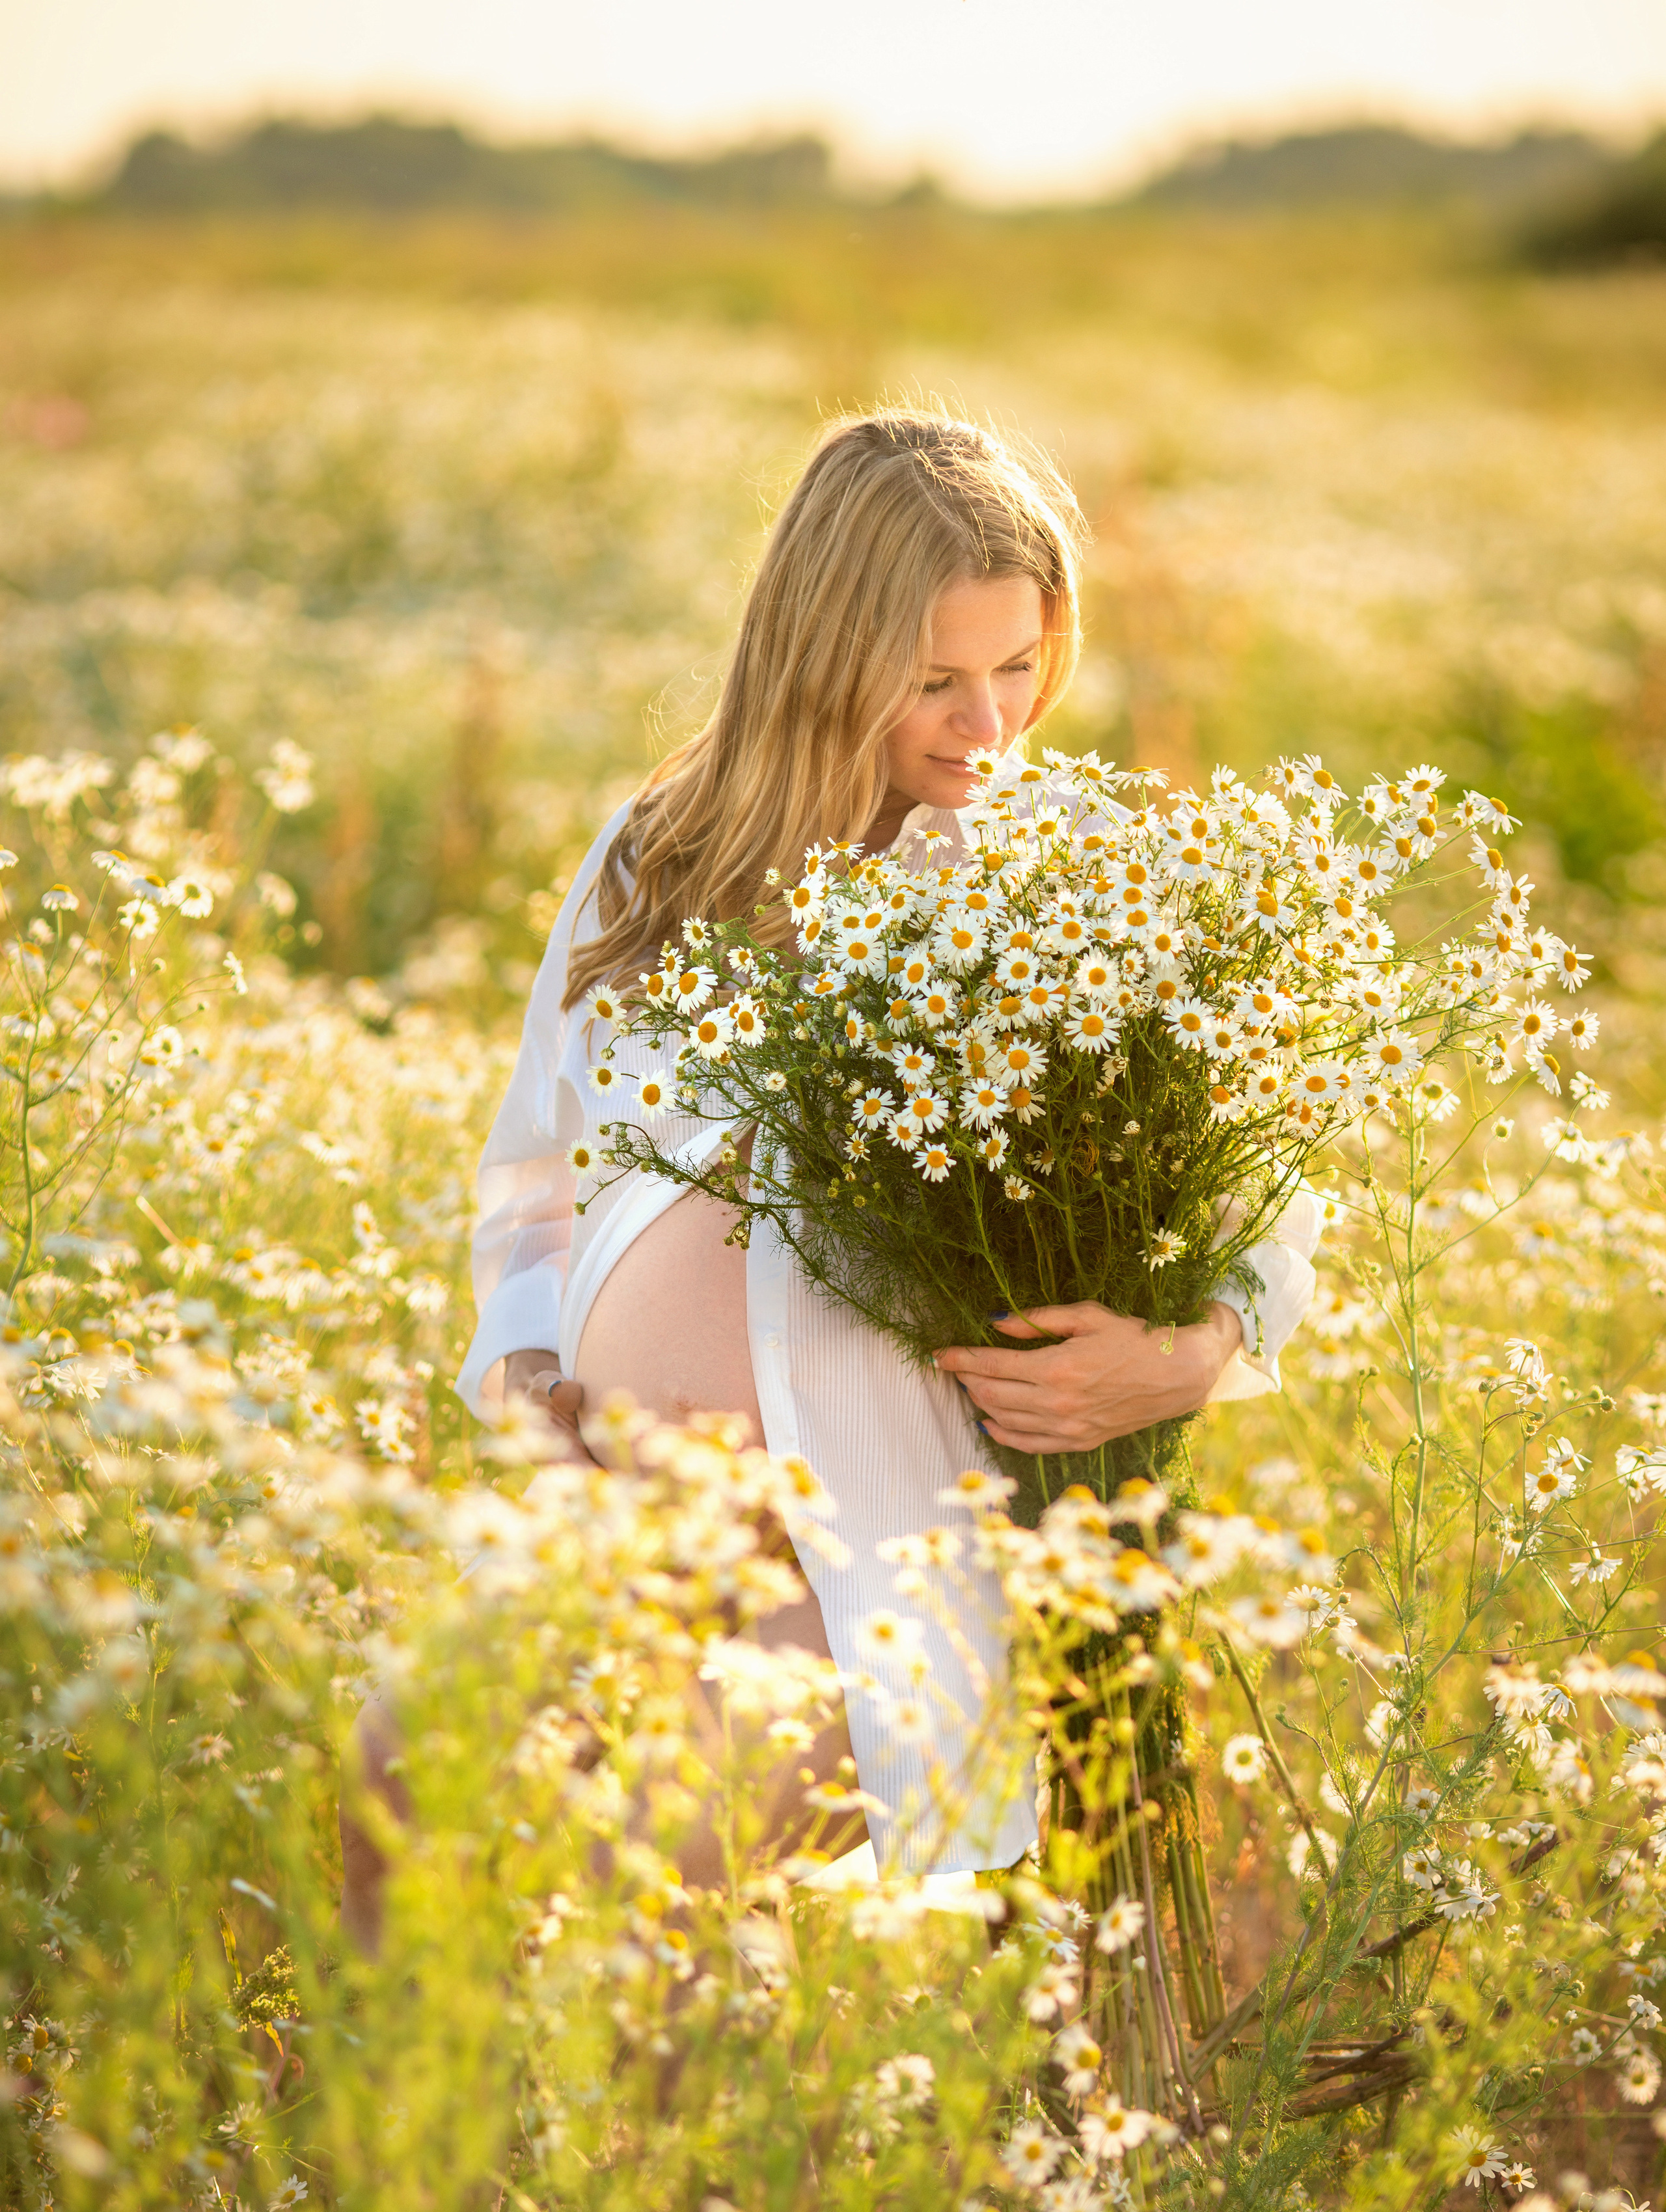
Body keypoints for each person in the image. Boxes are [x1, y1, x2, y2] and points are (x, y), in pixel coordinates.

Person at [344, 410, 1322, 1943]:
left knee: (650, 1867)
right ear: (816, 653)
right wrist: (532, 1379)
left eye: (1018, 665)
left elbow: (1262, 1199)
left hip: (866, 1547)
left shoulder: (1063, 874)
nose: (985, 721)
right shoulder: (657, 854)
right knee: (392, 1775)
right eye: (932, 679)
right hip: (624, 1517)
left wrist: (1187, 1353)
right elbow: (535, 1173)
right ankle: (392, 2105)